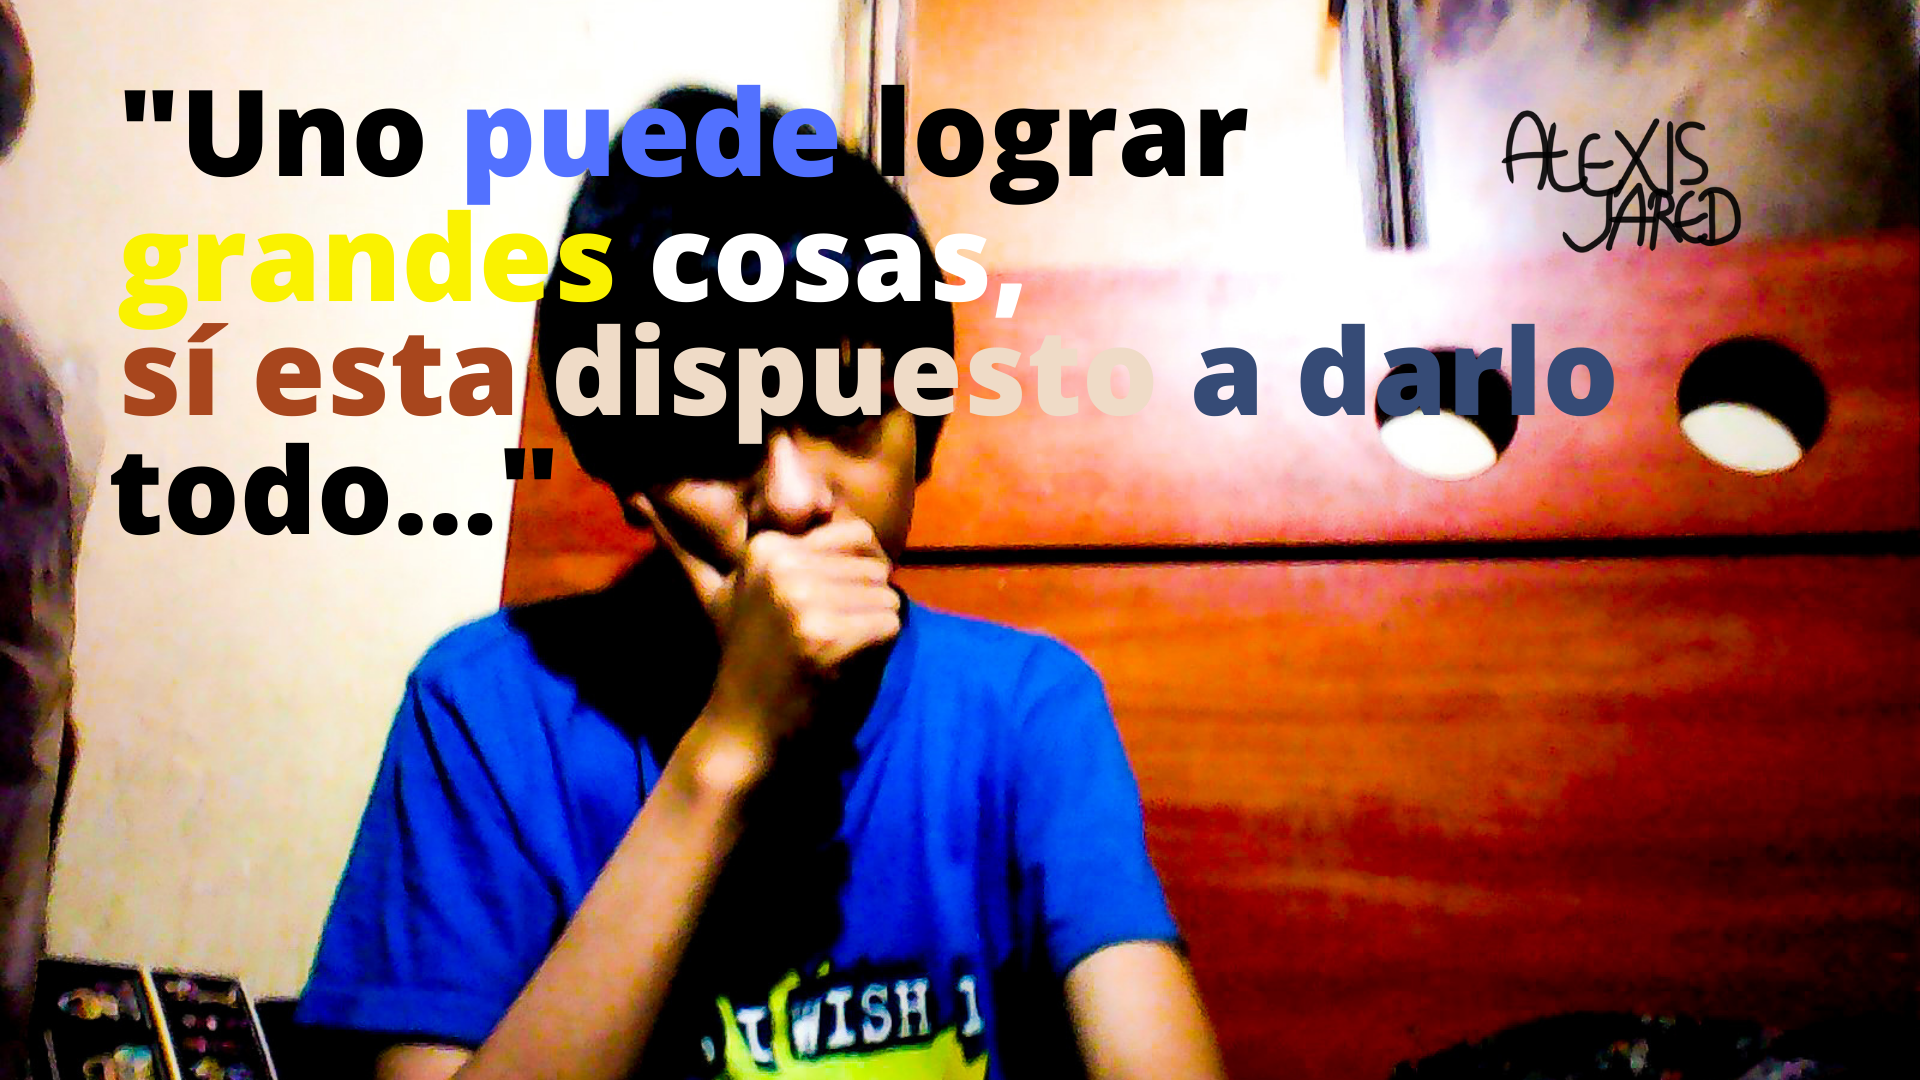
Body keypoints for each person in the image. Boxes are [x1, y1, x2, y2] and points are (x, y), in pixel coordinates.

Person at [295, 88, 1226, 1080]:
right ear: (627, 470)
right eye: (708, 433)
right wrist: (727, 752)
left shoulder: (1023, 709)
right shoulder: (486, 710)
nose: (792, 497)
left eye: (845, 407)